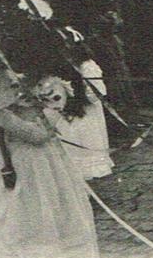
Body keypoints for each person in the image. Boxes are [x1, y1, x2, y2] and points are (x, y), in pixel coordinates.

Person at [0, 65, 100, 258]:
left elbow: (40, 135)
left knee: (44, 207)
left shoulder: (52, 87)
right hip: (8, 157)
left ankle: (47, 254)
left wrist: (3, 118)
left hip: (41, 162)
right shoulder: (6, 78)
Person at [49, 36, 114, 181]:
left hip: (87, 112)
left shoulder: (88, 66)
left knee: (87, 142)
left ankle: (88, 175)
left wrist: (77, 98)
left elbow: (96, 94)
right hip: (69, 112)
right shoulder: (62, 66)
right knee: (72, 142)